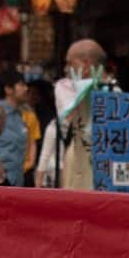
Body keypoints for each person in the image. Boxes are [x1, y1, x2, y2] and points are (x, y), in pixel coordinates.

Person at [37, 38, 111, 188]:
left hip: (105, 167)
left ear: (86, 65)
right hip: (77, 162)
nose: (66, 70)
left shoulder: (116, 94)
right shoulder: (66, 89)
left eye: (70, 64)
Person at [0, 75, 39, 185]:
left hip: (17, 180)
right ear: (8, 89)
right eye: (21, 85)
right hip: (0, 182)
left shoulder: (19, 115)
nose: (26, 89)